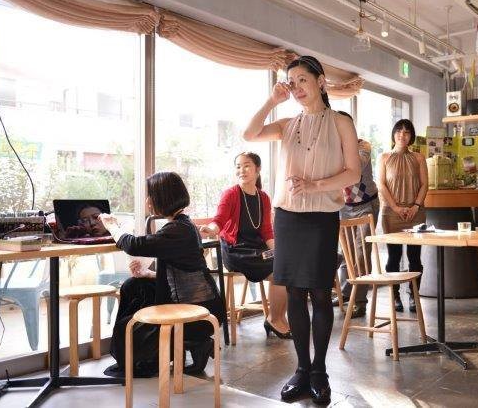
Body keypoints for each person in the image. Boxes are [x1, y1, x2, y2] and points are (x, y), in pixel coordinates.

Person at [243, 55, 359, 404]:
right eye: (291, 83)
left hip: (322, 216)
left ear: (321, 81)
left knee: (320, 293)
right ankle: (302, 369)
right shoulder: (286, 123)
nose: (296, 88)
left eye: (302, 80)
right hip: (288, 217)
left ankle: (320, 371)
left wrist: (314, 185)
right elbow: (249, 134)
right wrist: (271, 101)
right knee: (294, 293)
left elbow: (353, 172)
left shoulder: (341, 122)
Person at [99, 172, 225, 377]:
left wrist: (112, 225)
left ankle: (189, 343)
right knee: (134, 286)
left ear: (162, 198)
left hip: (198, 312)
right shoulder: (183, 225)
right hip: (194, 301)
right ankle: (189, 345)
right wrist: (149, 274)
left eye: (150, 195)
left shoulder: (178, 229)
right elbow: (182, 270)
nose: (147, 201)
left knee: (126, 326)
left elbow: (133, 245)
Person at [199, 152, 291, 339]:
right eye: (238, 166)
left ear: (258, 169)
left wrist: (278, 250)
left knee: (287, 264)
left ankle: (279, 318)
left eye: (246, 165)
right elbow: (219, 220)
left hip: (257, 249)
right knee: (279, 271)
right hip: (235, 250)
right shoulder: (231, 194)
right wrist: (210, 229)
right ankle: (274, 320)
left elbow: (266, 231)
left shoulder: (263, 197)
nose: (242, 170)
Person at [377, 119, 428, 313]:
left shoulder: (418, 158)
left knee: (414, 256)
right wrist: (396, 207)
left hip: (416, 212)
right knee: (394, 256)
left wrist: (416, 206)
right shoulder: (383, 157)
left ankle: (414, 295)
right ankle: (395, 295)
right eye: (399, 131)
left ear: (411, 136)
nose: (402, 135)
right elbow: (381, 185)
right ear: (393, 134)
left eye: (407, 132)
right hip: (391, 213)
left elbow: (424, 184)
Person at [334, 111, 379, 319]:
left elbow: (356, 167)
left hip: (365, 205)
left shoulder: (363, 146)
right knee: (347, 253)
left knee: (361, 255)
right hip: (344, 207)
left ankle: (359, 301)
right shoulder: (332, 149)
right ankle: (346, 294)